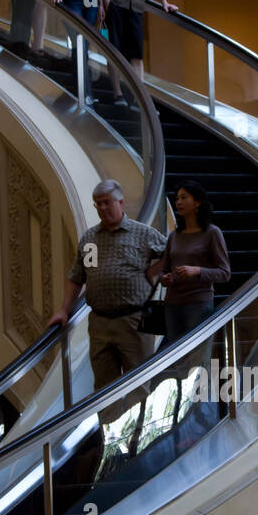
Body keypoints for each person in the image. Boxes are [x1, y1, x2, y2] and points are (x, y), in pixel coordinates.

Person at [48, 179, 166, 418]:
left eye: (107, 203)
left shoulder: (142, 233)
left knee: (138, 380)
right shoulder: (90, 239)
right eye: (98, 204)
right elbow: (76, 276)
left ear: (120, 202)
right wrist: (63, 309)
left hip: (133, 319)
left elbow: (172, 252)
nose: (103, 208)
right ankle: (109, 432)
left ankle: (138, 436)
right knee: (104, 386)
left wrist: (154, 273)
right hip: (100, 322)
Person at [153, 181, 230, 362]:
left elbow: (225, 273)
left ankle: (201, 390)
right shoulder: (174, 235)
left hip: (198, 304)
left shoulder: (212, 233)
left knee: (197, 360)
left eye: (183, 197)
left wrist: (197, 270)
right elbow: (164, 270)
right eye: (177, 198)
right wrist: (165, 278)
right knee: (176, 358)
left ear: (197, 202)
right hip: (172, 305)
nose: (178, 202)